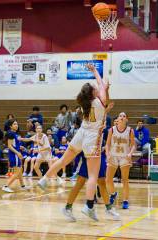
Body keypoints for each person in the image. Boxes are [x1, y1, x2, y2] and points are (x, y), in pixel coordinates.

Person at [37, 63, 110, 221]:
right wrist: (95, 71)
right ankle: (88, 206)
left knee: (64, 160)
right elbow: (102, 85)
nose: (97, 86)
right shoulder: (99, 102)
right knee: (92, 175)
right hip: (91, 138)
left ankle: (44, 179)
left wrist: (96, 76)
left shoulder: (85, 104)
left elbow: (101, 86)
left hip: (81, 134)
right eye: (94, 87)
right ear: (93, 93)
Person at [63, 152, 120, 222]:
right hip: (88, 154)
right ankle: (68, 207)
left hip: (98, 155)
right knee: (80, 182)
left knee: (102, 182)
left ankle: (108, 208)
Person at [106, 112, 136, 210]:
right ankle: (113, 194)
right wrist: (107, 154)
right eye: (120, 116)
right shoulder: (112, 130)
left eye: (124, 116)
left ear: (126, 119)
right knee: (108, 179)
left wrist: (130, 154)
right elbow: (107, 144)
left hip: (124, 157)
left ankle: (125, 200)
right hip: (113, 156)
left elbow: (133, 145)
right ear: (117, 119)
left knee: (125, 180)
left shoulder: (130, 130)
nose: (122, 117)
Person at [2, 119, 31, 193]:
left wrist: (20, 147)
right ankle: (6, 186)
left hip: (16, 154)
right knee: (17, 172)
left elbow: (17, 143)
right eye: (14, 124)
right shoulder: (11, 133)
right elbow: (10, 146)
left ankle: (23, 186)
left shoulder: (14, 133)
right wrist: (18, 153)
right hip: (14, 155)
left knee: (20, 170)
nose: (16, 125)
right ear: (11, 126)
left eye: (17, 124)